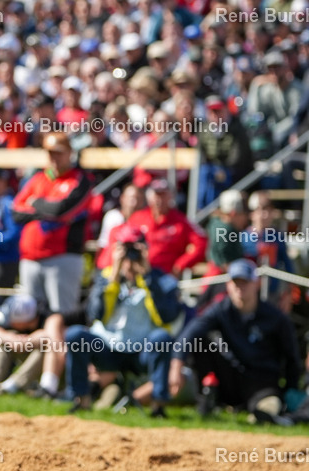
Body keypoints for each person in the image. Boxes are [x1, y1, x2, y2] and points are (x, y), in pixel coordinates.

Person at [64, 225, 181, 417]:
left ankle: (158, 407)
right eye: (125, 249)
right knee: (75, 335)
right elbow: (96, 314)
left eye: (135, 249)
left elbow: (168, 316)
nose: (130, 255)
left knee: (162, 338)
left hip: (140, 351)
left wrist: (147, 277)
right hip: (107, 349)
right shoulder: (105, 276)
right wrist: (114, 277)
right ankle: (81, 400)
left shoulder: (160, 279)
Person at [169, 259, 303, 424]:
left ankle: (264, 411)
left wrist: (291, 390)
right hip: (230, 377)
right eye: (235, 282)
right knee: (200, 341)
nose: (240, 288)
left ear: (256, 283)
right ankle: (207, 396)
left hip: (261, 381)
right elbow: (189, 333)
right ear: (228, 285)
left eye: (245, 282)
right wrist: (176, 366)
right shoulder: (221, 309)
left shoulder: (276, 318)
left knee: (268, 404)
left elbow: (291, 357)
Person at [11, 132, 92, 314]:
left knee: (61, 315)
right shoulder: (38, 178)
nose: (54, 157)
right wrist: (47, 210)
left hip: (62, 257)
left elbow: (60, 210)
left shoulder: (79, 180)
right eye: (51, 153)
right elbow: (16, 212)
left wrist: (35, 202)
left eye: (59, 152)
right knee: (29, 315)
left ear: (70, 152)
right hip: (30, 258)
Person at [126, 179, 206, 277]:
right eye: (156, 195)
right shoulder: (137, 218)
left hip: (166, 275)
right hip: (139, 273)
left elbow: (201, 243)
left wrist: (180, 265)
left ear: (170, 197)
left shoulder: (180, 221)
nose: (159, 199)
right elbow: (124, 241)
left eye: (163, 195)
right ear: (149, 198)